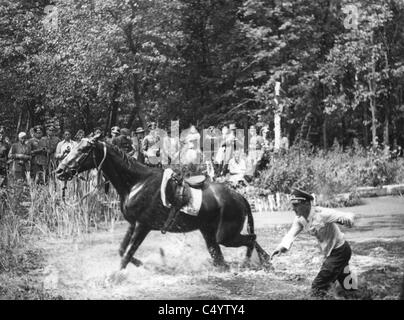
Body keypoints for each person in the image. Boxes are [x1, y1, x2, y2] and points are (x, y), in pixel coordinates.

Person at [271, 188, 357, 298]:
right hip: (331, 253)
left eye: (296, 205)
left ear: (307, 203)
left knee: (318, 286)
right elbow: (291, 234)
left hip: (339, 251)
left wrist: (349, 220)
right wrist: (281, 247)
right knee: (348, 287)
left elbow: (344, 216)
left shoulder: (322, 214)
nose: (293, 208)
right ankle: (362, 294)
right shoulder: (300, 219)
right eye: (292, 204)